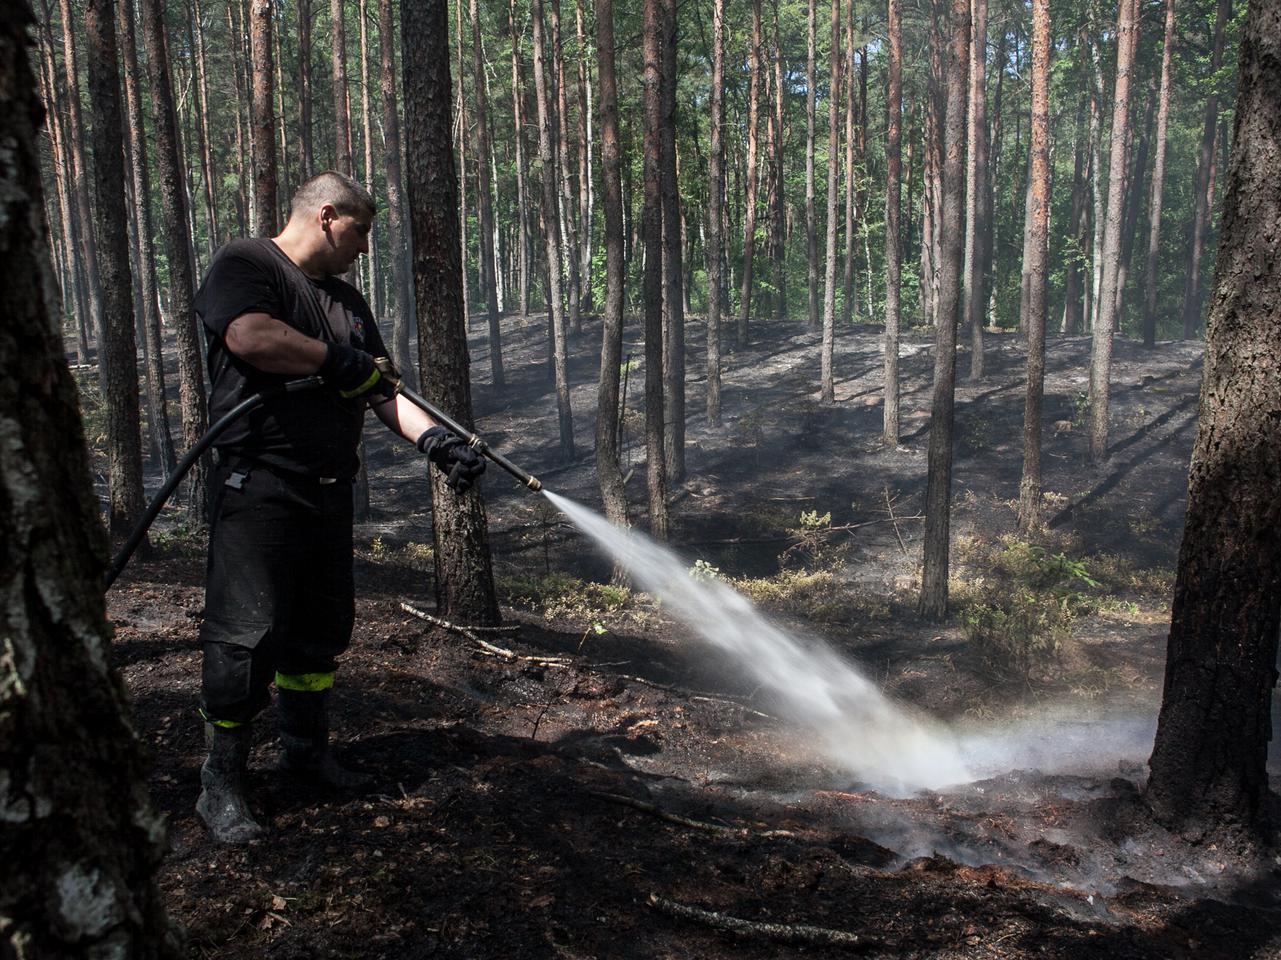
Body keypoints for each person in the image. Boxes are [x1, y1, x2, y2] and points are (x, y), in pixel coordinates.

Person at [192, 171, 484, 843]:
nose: (363, 248)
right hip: (258, 486)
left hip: (327, 491)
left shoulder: (347, 301)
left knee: (318, 632)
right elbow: (250, 337)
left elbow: (379, 388)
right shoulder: (247, 263)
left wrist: (433, 440)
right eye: (359, 233)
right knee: (245, 636)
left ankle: (306, 753)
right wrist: (334, 360)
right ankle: (221, 784)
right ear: (326, 216)